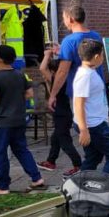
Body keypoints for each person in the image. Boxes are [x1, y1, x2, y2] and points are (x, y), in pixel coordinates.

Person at [0, 45, 45, 194]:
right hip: (19, 119)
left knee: (0, 153)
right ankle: (36, 178)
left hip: (1, 121)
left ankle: (3, 186)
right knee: (21, 149)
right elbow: (29, 94)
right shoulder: (19, 74)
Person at [73, 39, 109, 176]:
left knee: (93, 157)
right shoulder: (84, 76)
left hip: (94, 122)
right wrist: (84, 130)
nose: (103, 58)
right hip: (93, 125)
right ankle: (105, 186)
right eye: (102, 55)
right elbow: (78, 104)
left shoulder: (89, 72)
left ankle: (82, 186)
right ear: (96, 57)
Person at [48, 4, 103, 113]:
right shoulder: (96, 36)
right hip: (97, 88)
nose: (64, 21)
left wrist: (53, 95)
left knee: (83, 126)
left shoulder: (69, 41)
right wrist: (62, 51)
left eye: (64, 18)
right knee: (97, 122)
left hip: (80, 91)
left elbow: (62, 71)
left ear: (70, 19)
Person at [37, 45, 82, 177]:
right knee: (55, 138)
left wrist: (47, 55)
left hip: (61, 114)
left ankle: (78, 165)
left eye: (51, 71)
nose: (48, 74)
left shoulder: (57, 81)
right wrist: (59, 51)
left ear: (54, 72)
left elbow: (42, 68)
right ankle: (51, 161)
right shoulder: (68, 79)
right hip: (65, 113)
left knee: (65, 141)